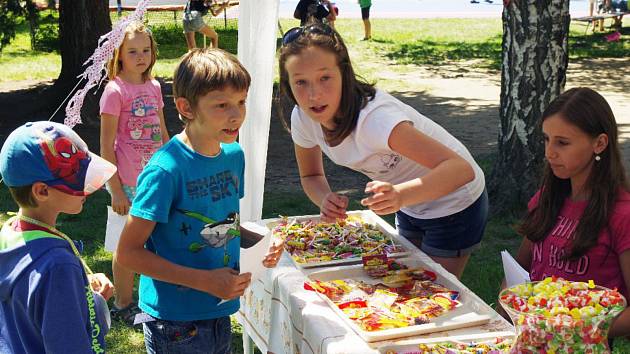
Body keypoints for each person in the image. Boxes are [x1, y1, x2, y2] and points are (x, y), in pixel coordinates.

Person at [278, 23, 488, 278]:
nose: (314, 94)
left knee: (433, 289)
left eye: (325, 78)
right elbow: (310, 177)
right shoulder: (302, 118)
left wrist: (400, 195)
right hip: (408, 202)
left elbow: (461, 170)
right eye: (301, 82)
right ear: (287, 85)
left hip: (455, 202)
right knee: (403, 281)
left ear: (345, 74)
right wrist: (324, 198)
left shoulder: (377, 121)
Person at [116, 48, 284, 353]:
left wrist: (260, 244)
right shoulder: (166, 170)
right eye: (221, 104)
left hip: (218, 310)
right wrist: (204, 280)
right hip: (175, 322)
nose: (236, 114)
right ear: (187, 107)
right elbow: (127, 253)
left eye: (241, 101)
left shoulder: (233, 155)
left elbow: (223, 221)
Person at [509, 87, 630, 339]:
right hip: (530, 338)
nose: (549, 152)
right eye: (546, 139)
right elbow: (518, 272)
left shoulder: (622, 214)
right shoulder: (547, 197)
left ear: (599, 143)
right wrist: (510, 310)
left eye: (562, 143)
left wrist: (574, 332)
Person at [0, 121, 116, 353]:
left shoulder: (10, 232)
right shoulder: (58, 267)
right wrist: (90, 301)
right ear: (42, 191)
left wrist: (85, 297)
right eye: (77, 179)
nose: (89, 188)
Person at [100, 20, 170, 326]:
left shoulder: (154, 87)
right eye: (132, 51)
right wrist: (114, 188)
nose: (141, 56)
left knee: (154, 240)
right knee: (125, 245)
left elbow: (163, 131)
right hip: (126, 183)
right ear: (119, 54)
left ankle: (152, 298)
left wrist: (175, 164)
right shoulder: (115, 91)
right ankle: (123, 302)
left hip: (155, 179)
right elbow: (105, 145)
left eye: (145, 50)